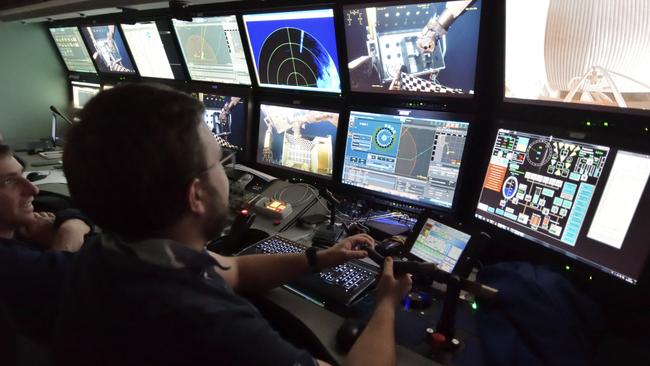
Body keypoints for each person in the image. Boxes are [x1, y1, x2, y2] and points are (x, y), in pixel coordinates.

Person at [56, 83, 412, 366]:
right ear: (196, 195)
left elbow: (236, 269)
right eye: (220, 162)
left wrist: (319, 258)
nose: (228, 175)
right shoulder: (212, 326)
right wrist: (385, 305)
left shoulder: (110, 256)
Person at [0, 142, 91, 343]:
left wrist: (71, 223)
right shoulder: (8, 260)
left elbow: (69, 206)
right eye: (8, 181)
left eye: (21, 175)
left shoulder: (23, 224)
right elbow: (62, 278)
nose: (32, 189)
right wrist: (69, 232)